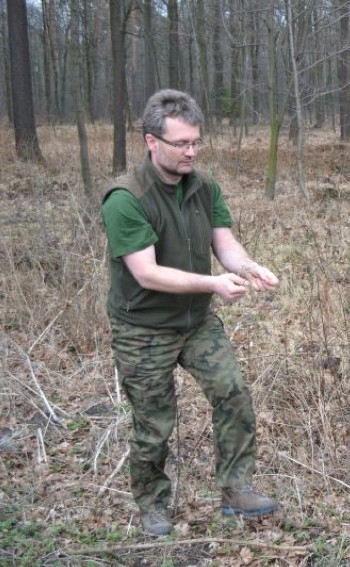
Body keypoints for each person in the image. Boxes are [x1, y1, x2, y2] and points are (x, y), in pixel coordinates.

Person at [101, 89, 279, 537]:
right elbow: (147, 274)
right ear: (151, 141)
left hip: (195, 321)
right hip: (143, 328)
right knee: (154, 422)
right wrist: (214, 285)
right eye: (181, 143)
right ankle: (154, 505)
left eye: (196, 142)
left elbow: (224, 243)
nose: (191, 152)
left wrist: (247, 267)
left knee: (233, 394)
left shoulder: (203, 187)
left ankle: (236, 489)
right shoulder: (126, 198)